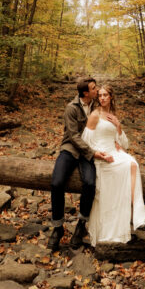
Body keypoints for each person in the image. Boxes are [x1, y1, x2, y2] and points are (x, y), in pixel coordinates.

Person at [48, 77, 113, 251]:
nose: (97, 91)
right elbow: (74, 136)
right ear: (85, 93)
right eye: (93, 89)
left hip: (89, 152)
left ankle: (81, 225)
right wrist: (92, 153)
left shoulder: (95, 106)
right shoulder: (71, 108)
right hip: (70, 149)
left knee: (90, 184)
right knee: (56, 183)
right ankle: (57, 227)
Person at [81, 85, 145, 244]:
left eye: (105, 95)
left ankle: (138, 218)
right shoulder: (95, 115)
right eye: (100, 95)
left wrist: (118, 126)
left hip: (114, 152)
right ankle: (126, 220)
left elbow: (125, 143)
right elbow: (85, 141)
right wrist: (99, 154)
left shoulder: (112, 115)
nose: (102, 98)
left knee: (133, 164)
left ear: (111, 97)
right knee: (130, 166)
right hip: (101, 156)